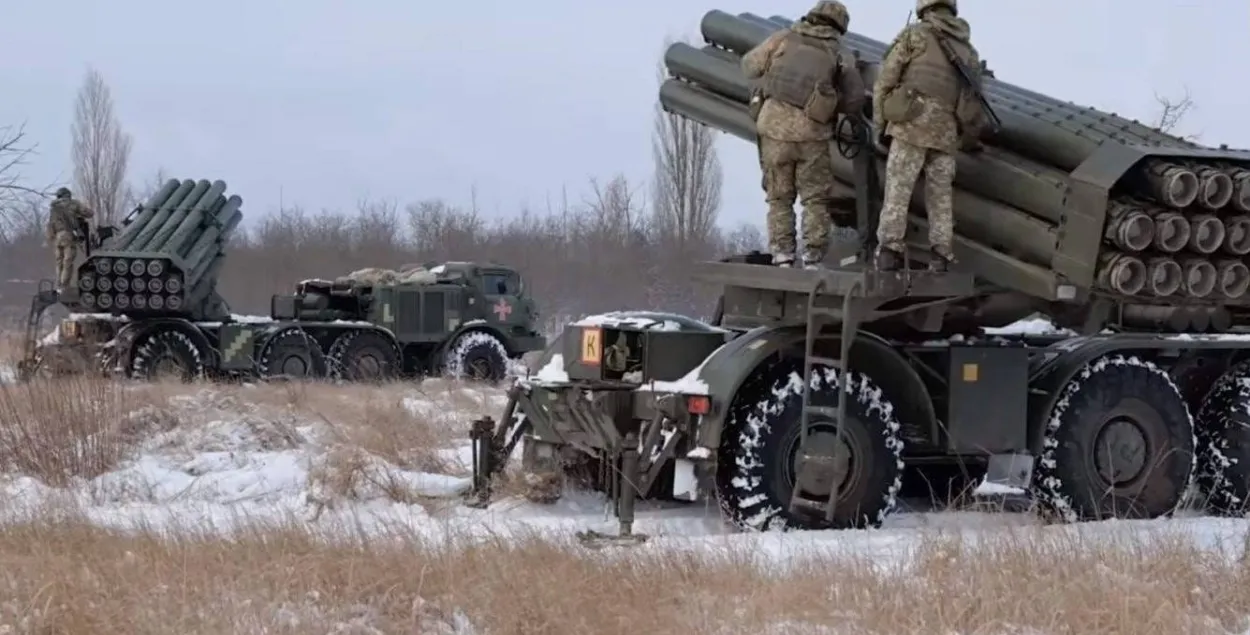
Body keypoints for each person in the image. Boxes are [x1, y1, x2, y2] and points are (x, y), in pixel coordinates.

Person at [741, 0, 866, 269]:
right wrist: (833, 103)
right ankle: (812, 257)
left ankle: (782, 255)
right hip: (813, 136)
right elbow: (855, 99)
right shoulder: (840, 54)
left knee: (779, 198)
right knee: (815, 199)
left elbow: (749, 65)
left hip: (774, 132)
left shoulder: (783, 38)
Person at [872, 0, 984, 273]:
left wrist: (880, 124)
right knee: (940, 198)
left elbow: (886, 79)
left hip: (910, 124)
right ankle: (941, 255)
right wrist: (967, 139)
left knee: (898, 189)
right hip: (945, 133)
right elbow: (973, 103)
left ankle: (889, 251)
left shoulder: (915, 35)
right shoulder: (968, 50)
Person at [44, 186, 94, 293]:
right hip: (68, 236)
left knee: (59, 262)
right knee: (68, 262)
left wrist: (50, 238)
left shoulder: (54, 208)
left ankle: (58, 285)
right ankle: (64, 286)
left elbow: (50, 225)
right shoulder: (73, 203)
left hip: (57, 238)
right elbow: (89, 213)